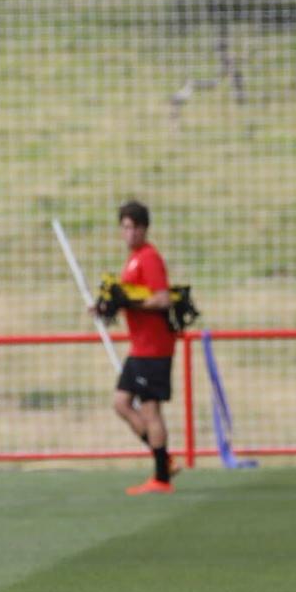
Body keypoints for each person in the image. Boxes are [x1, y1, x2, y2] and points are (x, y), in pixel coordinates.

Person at [96, 200, 176, 496]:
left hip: (153, 347)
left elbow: (162, 299)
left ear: (144, 229)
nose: (129, 233)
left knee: (151, 410)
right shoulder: (132, 260)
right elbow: (128, 296)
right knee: (121, 402)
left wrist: (132, 303)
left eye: (134, 227)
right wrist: (106, 306)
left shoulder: (149, 258)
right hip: (139, 346)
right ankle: (163, 459)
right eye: (125, 227)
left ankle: (162, 477)